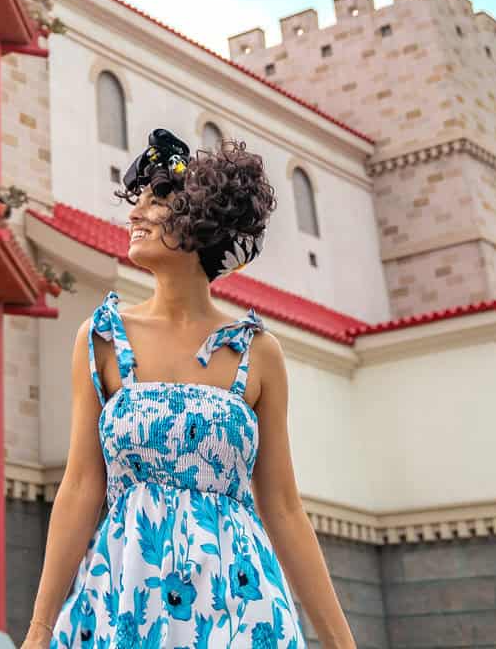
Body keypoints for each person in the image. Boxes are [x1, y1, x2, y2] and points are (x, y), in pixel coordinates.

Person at [20, 128, 357, 649]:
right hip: (124, 597)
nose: (135, 214)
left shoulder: (256, 353)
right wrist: (40, 629)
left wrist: (341, 643)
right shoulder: (103, 340)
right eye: (138, 200)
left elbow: (284, 507)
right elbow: (82, 487)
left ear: (203, 219)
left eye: (158, 201)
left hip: (239, 601)